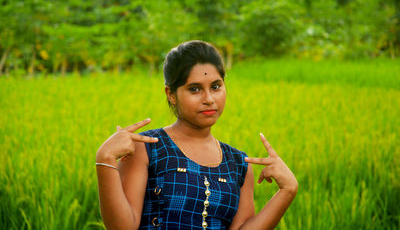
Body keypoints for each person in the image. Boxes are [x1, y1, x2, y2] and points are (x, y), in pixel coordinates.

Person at [96, 40, 298, 230]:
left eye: (216, 86)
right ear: (171, 95)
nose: (209, 99)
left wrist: (287, 191)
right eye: (195, 89)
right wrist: (104, 160)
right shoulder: (147, 147)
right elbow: (123, 226)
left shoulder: (238, 163)